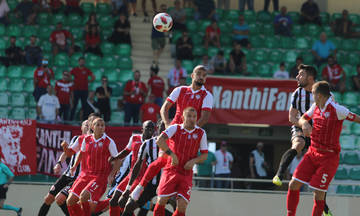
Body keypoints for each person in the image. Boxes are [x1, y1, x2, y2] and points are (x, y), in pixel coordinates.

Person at [128, 65, 213, 207]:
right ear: (192, 75)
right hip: (174, 131)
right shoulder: (180, 90)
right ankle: (140, 187)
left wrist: (190, 131)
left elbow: (204, 118)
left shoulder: (207, 95)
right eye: (198, 73)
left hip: (189, 135)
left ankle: (171, 193)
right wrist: (167, 124)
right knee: (161, 160)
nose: (201, 76)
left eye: (204, 75)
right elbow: (164, 108)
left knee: (181, 164)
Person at [287, 81, 360, 216]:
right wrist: (305, 125)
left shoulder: (338, 109)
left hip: (329, 157)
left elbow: (357, 118)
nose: (312, 96)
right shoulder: (315, 106)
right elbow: (303, 118)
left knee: (318, 194)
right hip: (312, 153)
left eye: (313, 93)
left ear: (319, 95)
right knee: (293, 184)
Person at [272, 65, 333, 215]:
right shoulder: (297, 93)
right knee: (298, 143)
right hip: (300, 126)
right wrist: (303, 123)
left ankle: (325, 208)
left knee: (316, 179)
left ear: (310, 78)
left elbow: (331, 116)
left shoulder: (325, 94)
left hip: (319, 133)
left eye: (301, 75)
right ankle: (279, 174)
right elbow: (291, 117)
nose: (297, 77)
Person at [153, 107, 208, 216]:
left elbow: (205, 155)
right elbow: (160, 140)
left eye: (194, 117)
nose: (192, 119)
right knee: (162, 200)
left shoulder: (201, 133)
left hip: (186, 173)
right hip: (171, 170)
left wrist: (194, 161)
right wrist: (172, 155)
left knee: (182, 206)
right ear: (183, 117)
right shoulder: (175, 128)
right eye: (189, 116)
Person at [116, 120, 174, 216]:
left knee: (176, 203)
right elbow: (137, 165)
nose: (165, 130)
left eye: (167, 127)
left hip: (166, 183)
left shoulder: (173, 144)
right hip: (149, 184)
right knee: (128, 205)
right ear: (158, 127)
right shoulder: (148, 143)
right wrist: (128, 188)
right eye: (162, 127)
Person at [66, 118, 119, 216]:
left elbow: (117, 160)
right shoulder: (86, 139)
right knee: (70, 201)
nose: (100, 127)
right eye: (97, 125)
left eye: (102, 125)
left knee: (84, 197)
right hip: (85, 175)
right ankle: (113, 201)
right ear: (92, 127)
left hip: (99, 177)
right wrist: (74, 166)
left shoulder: (109, 141)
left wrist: (112, 174)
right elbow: (81, 153)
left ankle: (116, 201)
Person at [37, 120, 88, 216]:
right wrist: (59, 163)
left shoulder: (91, 141)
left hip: (78, 178)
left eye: (89, 125)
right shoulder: (75, 139)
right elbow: (66, 153)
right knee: (48, 198)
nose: (88, 127)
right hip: (67, 174)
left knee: (60, 199)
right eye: (86, 125)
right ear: (81, 127)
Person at [108, 121, 155, 216]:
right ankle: (156, 208)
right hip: (131, 175)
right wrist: (116, 157)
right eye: (147, 127)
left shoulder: (154, 143)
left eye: (152, 128)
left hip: (143, 178)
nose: (149, 129)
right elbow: (126, 151)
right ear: (142, 129)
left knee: (125, 202)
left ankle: (160, 210)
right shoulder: (134, 138)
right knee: (113, 201)